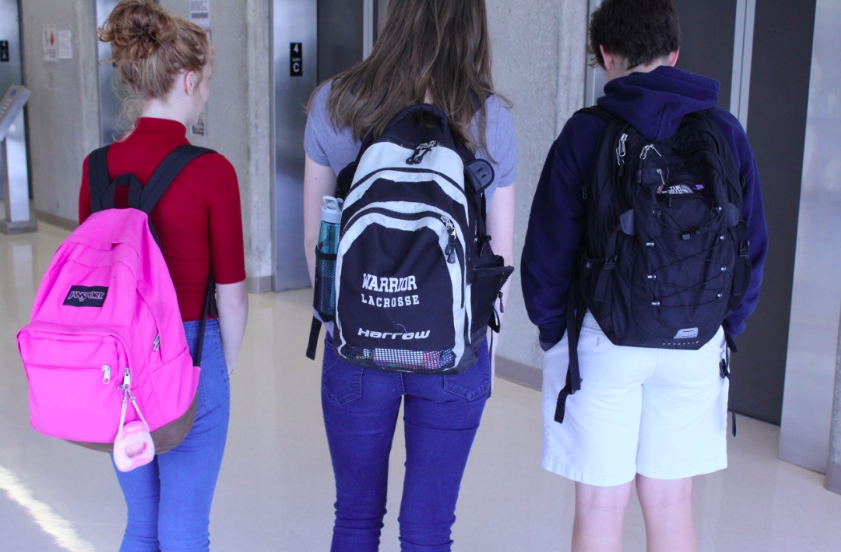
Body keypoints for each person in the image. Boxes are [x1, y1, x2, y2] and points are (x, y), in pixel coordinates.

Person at [521, 1, 768, 551]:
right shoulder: (725, 131)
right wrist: (725, 328)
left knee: (600, 505)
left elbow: (546, 255)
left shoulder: (585, 133)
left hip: (600, 341)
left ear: (605, 55)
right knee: (672, 503)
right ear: (675, 52)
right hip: (696, 341)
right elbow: (753, 245)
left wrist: (553, 334)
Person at [303, 1, 518, 550]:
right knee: (428, 528)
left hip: (355, 346)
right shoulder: (489, 116)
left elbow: (316, 242)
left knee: (354, 518)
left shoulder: (335, 102)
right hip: (453, 351)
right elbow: (499, 257)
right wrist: (482, 352)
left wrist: (343, 318)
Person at [78, 1, 248, 550]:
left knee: (142, 523)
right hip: (192, 357)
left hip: (119, 370)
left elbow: (94, 282)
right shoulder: (211, 171)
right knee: (184, 527)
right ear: (191, 80)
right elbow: (233, 295)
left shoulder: (96, 168)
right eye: (206, 86)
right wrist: (222, 370)